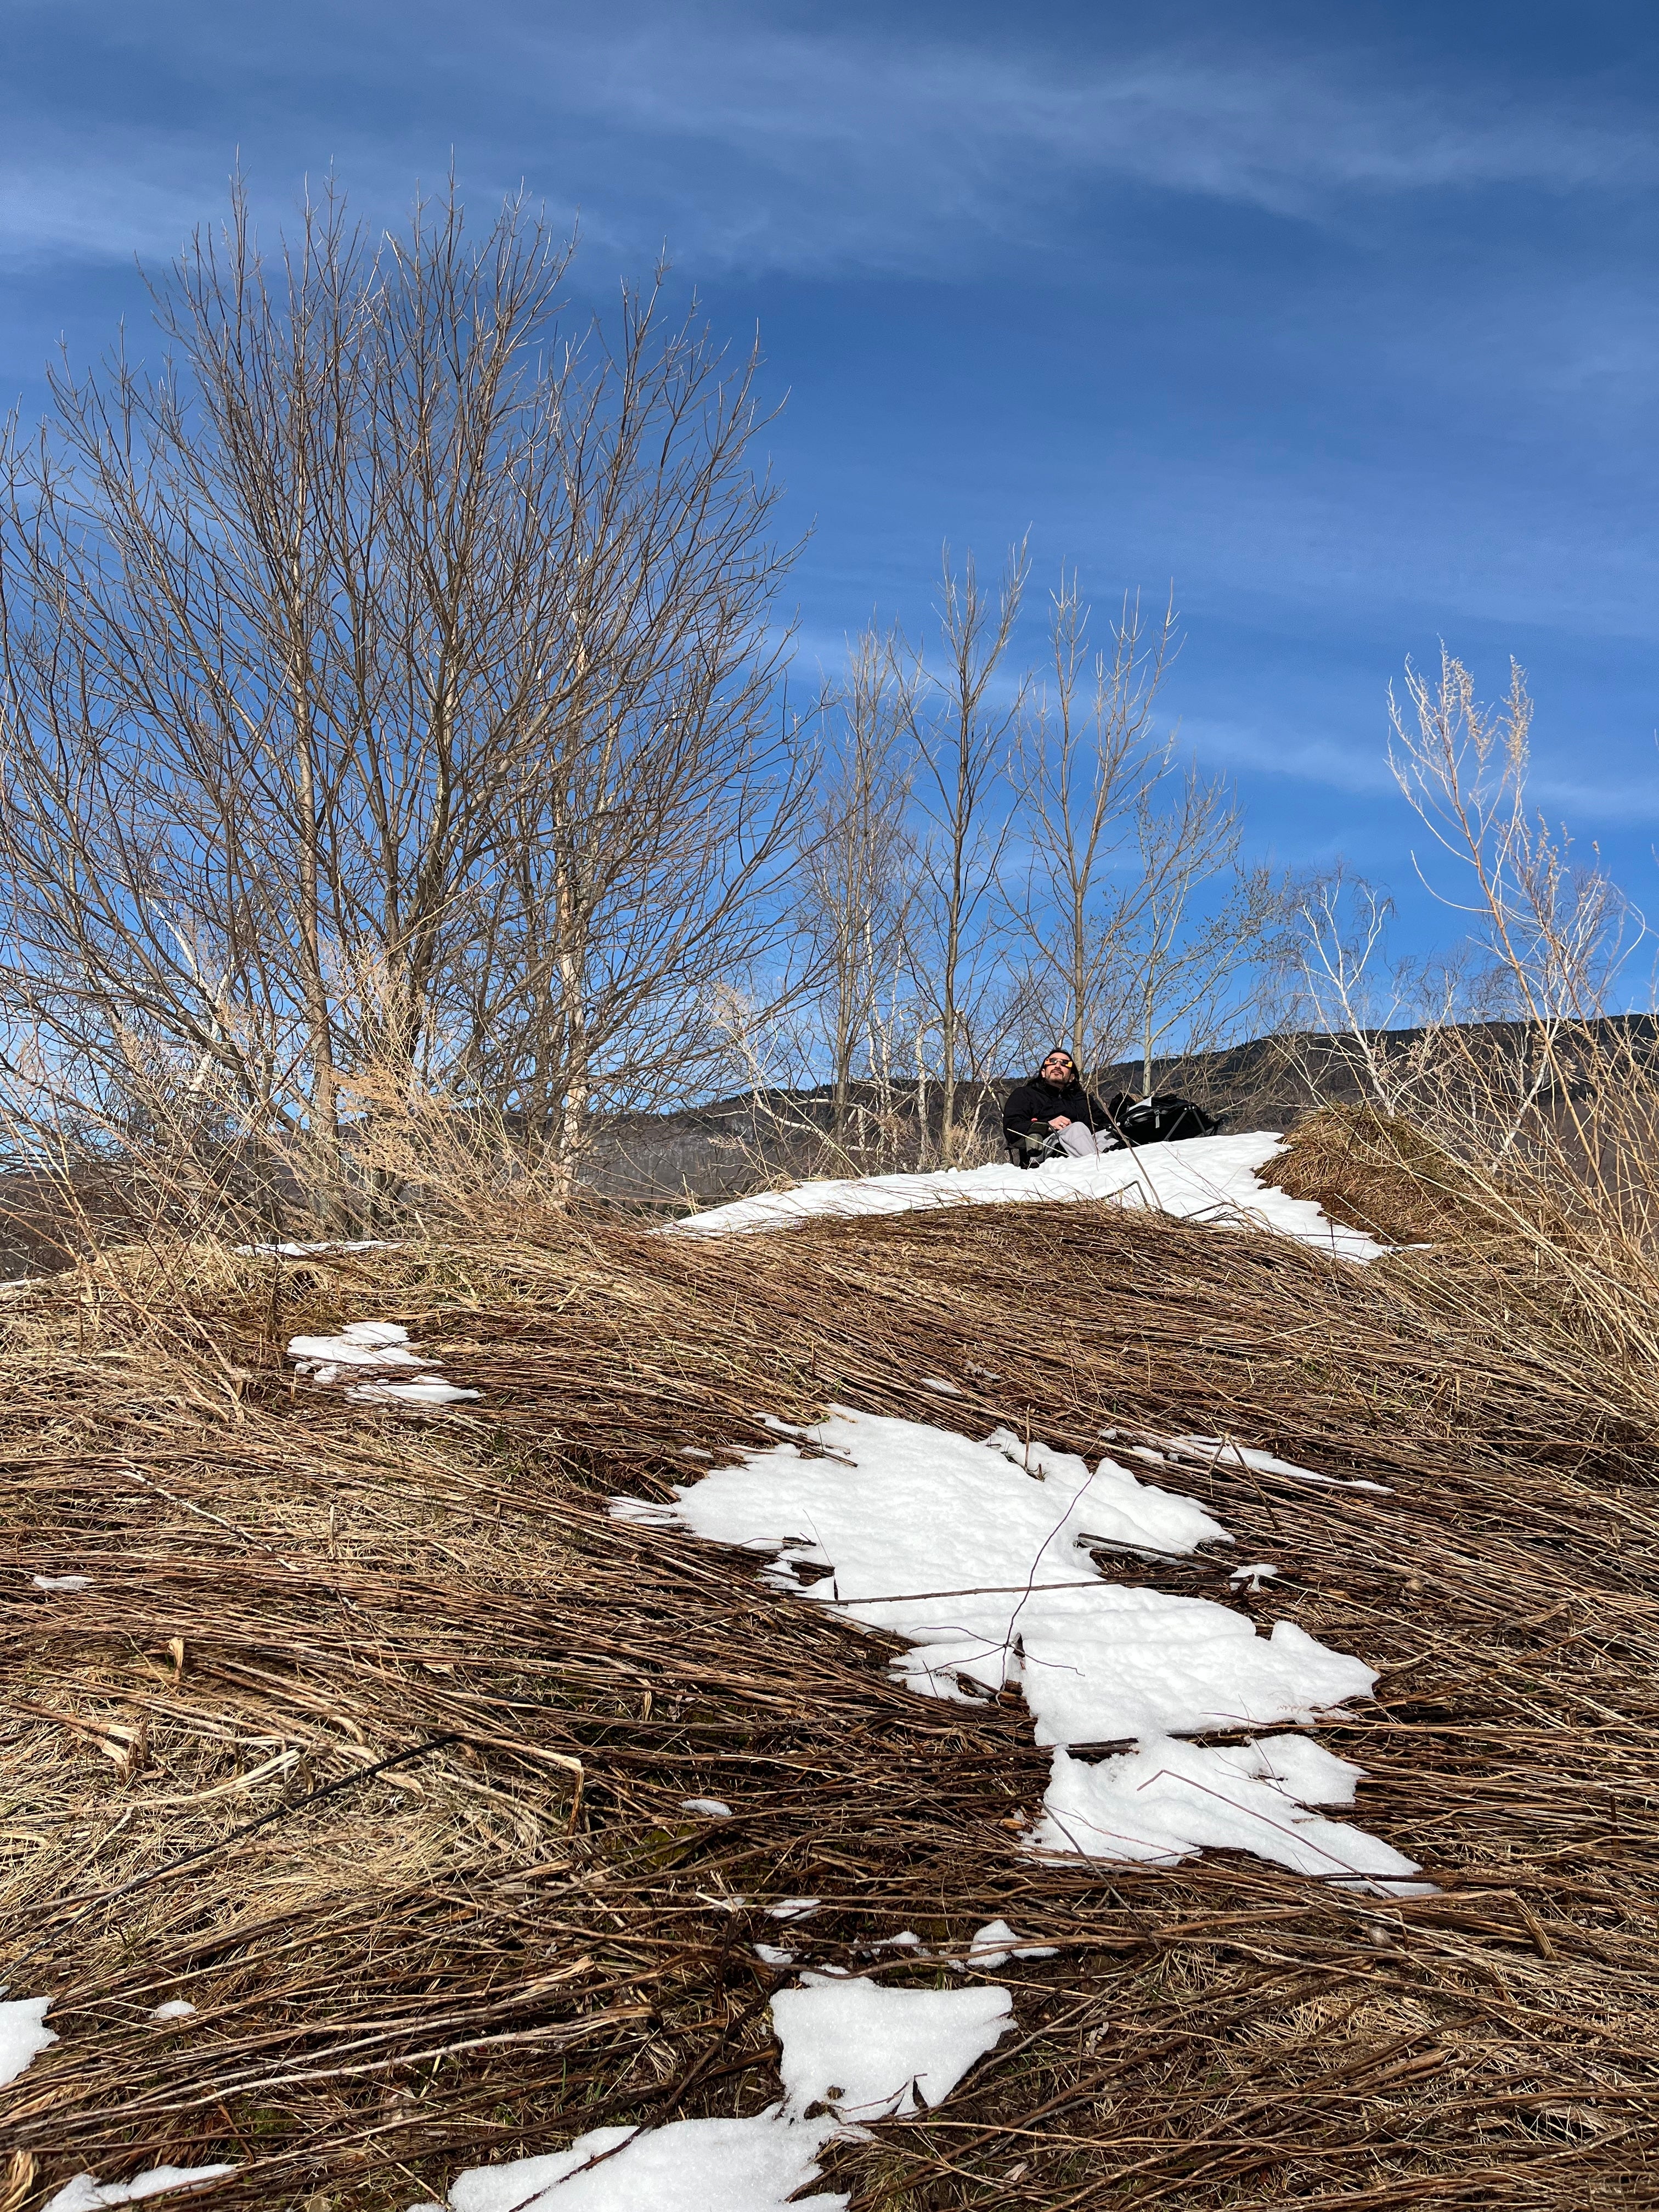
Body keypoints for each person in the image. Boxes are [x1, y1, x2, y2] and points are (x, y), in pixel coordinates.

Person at [1002, 1049, 1129, 1159]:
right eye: (1052, 1061)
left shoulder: (1081, 1099)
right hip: (1044, 1148)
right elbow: (1011, 1127)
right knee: (1077, 1128)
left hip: (1087, 1145)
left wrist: (1119, 1106)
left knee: (1107, 1137)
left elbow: (1102, 1125)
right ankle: (1097, 1171)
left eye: (1065, 1064)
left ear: (1071, 1077)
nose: (1058, 1065)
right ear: (1043, 1072)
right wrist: (1047, 1126)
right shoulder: (1025, 1094)